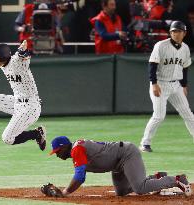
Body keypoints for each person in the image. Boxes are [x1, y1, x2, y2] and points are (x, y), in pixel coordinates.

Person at [49, 136, 192, 196]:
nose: (56, 154)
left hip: (126, 154)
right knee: (122, 192)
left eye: (57, 151)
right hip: (117, 164)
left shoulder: (77, 150)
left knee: (140, 188)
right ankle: (157, 178)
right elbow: (81, 175)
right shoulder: (76, 150)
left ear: (64, 147)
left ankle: (178, 180)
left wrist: (65, 192)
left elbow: (80, 177)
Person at [140, 20, 194, 152]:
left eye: (179, 31)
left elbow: (185, 67)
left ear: (184, 33)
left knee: (188, 114)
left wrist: (184, 85)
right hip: (160, 83)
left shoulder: (185, 48)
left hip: (176, 85)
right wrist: (154, 83)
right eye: (173, 31)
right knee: (159, 115)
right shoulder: (161, 45)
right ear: (170, 32)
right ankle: (145, 143)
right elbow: (152, 65)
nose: (176, 33)